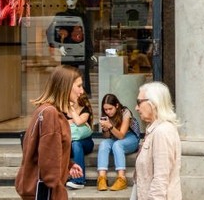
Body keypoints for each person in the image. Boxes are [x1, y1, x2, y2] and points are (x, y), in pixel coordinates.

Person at [14, 65, 84, 199]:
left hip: (38, 189)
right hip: (46, 192)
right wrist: (59, 192)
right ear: (66, 86)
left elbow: (47, 151)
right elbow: (48, 161)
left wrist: (69, 165)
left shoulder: (46, 110)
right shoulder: (51, 114)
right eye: (79, 86)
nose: (82, 91)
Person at [133, 81, 182, 199]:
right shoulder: (154, 129)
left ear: (153, 103)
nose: (136, 108)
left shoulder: (162, 132)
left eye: (139, 102)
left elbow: (161, 179)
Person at [46, 0, 95, 95]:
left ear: (76, 0)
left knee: (81, 81)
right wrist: (59, 46)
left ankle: (81, 103)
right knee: (67, 81)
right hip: (67, 53)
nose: (69, 1)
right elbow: (50, 32)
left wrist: (90, 53)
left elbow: (87, 35)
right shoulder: (61, 15)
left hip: (81, 53)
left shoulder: (82, 16)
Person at [97, 93, 141, 191]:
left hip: (131, 138)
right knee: (103, 144)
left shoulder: (125, 112)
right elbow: (108, 137)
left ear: (116, 106)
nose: (108, 112)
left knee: (117, 144)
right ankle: (102, 178)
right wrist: (105, 129)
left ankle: (122, 178)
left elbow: (121, 135)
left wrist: (110, 126)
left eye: (110, 109)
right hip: (116, 138)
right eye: (105, 109)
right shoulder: (106, 116)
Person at [66, 92, 95, 189]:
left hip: (85, 143)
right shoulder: (63, 110)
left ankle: (79, 180)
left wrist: (72, 110)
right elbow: (59, 123)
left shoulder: (85, 111)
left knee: (76, 144)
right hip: (68, 143)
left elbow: (78, 122)